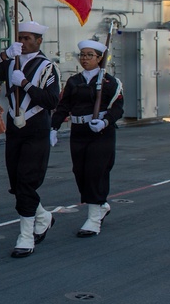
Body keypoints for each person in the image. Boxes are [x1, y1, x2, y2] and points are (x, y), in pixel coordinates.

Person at [0, 20, 61, 257]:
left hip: (36, 128)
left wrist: (25, 84)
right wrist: (4, 55)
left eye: (28, 38)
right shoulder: (11, 62)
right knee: (17, 184)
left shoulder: (47, 67)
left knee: (27, 182)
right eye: (20, 38)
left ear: (39, 41)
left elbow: (51, 100)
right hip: (15, 130)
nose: (23, 42)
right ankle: (43, 216)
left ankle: (26, 236)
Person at [51, 39, 124, 238]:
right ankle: (100, 205)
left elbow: (118, 108)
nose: (85, 59)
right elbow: (64, 106)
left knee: (96, 171)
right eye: (82, 55)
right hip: (79, 131)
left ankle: (93, 218)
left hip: (101, 133)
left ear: (99, 58)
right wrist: (54, 127)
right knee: (80, 172)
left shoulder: (110, 82)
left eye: (90, 55)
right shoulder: (74, 81)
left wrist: (105, 122)